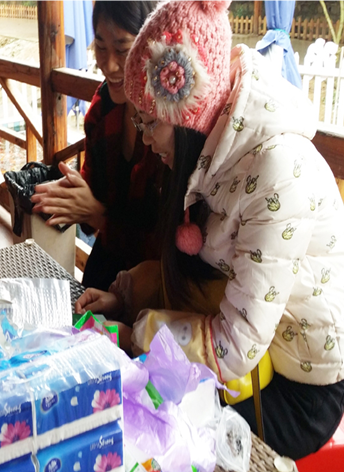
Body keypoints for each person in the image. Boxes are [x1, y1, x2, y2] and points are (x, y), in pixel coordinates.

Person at [76, 0, 343, 460]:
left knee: (157, 420)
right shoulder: (211, 152)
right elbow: (195, 273)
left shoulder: (276, 172)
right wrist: (126, 294)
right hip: (255, 352)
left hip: (298, 384)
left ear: (187, 111)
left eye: (149, 122)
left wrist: (134, 334)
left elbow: (233, 349)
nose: (145, 138)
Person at [31, 0, 164, 292]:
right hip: (106, 268)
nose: (108, 64)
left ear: (153, 46)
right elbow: (91, 205)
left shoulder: (170, 127)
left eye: (123, 49)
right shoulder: (102, 108)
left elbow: (166, 249)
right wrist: (74, 194)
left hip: (155, 288)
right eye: (101, 47)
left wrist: (96, 214)